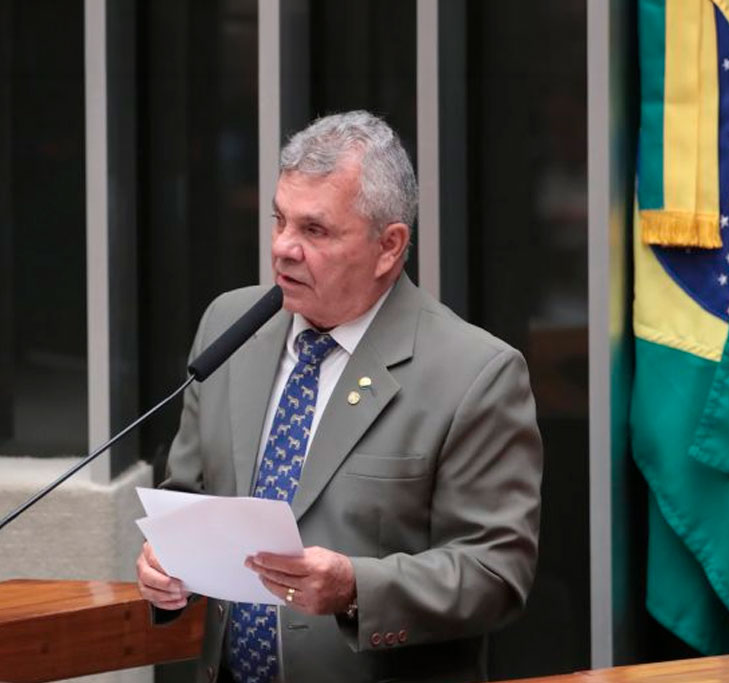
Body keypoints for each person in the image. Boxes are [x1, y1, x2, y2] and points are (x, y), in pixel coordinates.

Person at [136, 110, 542, 683]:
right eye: (279, 220)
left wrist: (356, 588)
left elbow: (495, 573)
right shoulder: (230, 326)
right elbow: (188, 496)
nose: (284, 248)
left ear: (389, 246)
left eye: (315, 231)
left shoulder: (475, 373)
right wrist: (164, 564)